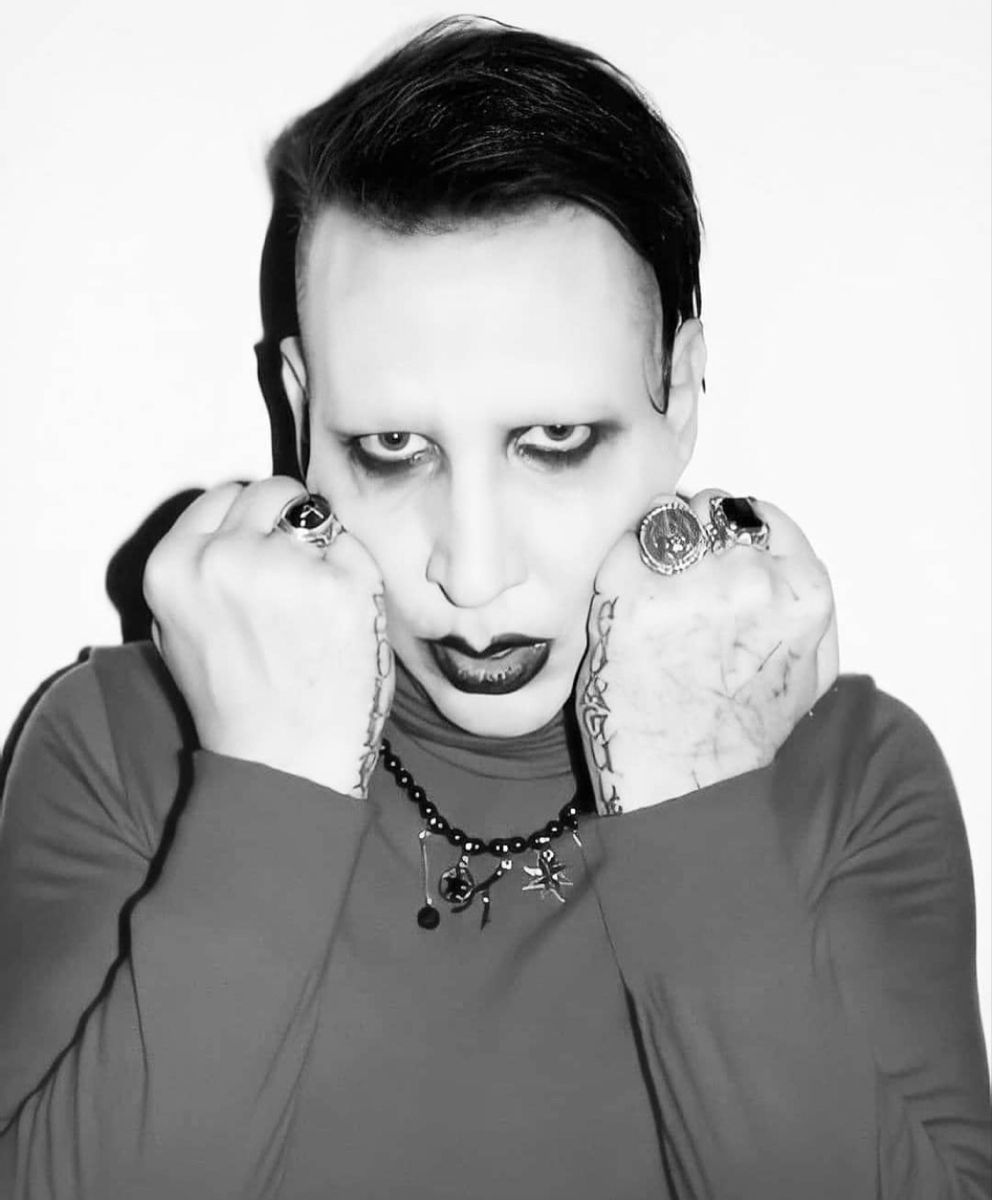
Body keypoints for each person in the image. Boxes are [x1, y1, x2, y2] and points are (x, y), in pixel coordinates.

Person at [0, 14, 988, 1199]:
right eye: (391, 448)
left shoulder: (850, 778)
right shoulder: (122, 750)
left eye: (554, 439)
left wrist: (699, 809)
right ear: (301, 409)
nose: (470, 573)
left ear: (679, 392)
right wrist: (262, 791)